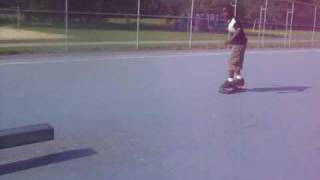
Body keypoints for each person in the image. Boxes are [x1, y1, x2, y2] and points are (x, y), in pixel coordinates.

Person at [220, 3, 247, 90]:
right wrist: (230, 43)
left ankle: (231, 80)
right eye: (223, 12)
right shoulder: (230, 21)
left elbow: (238, 30)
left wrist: (230, 40)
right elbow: (232, 32)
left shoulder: (234, 20)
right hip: (237, 44)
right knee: (234, 62)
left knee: (232, 61)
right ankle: (239, 79)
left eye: (225, 12)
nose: (224, 14)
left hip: (239, 44)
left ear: (230, 12)